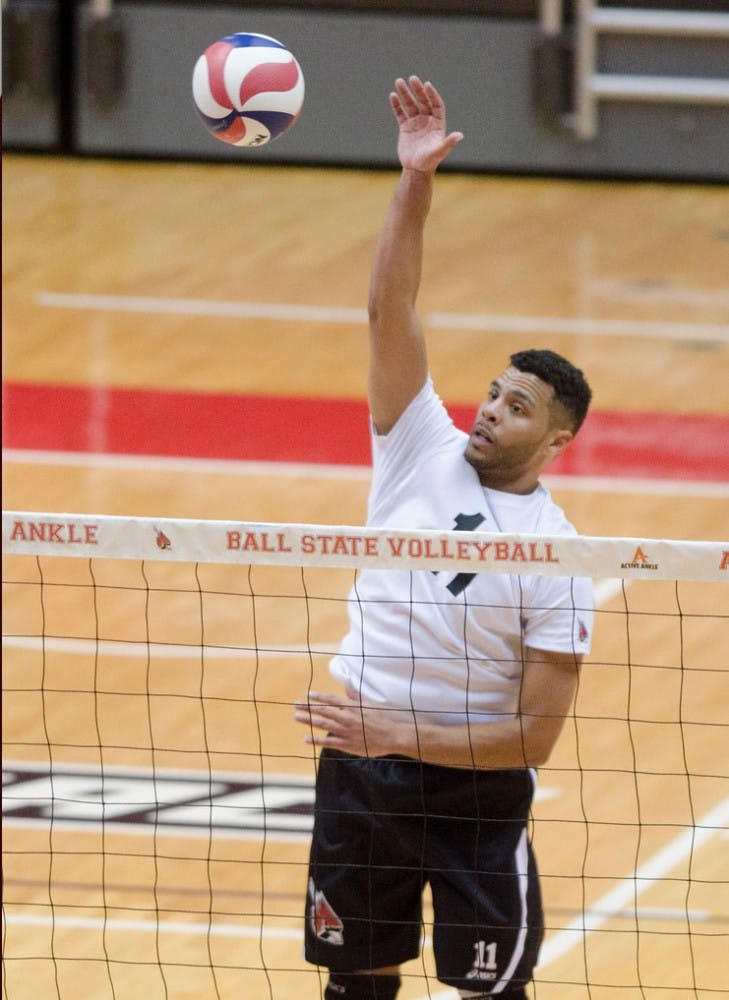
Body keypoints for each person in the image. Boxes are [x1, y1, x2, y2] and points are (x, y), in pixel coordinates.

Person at [294, 76, 593, 1000]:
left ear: (555, 440)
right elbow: (391, 310)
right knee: (357, 986)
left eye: (517, 409)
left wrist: (398, 729)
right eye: (493, 393)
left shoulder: (556, 553)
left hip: (473, 803)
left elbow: (533, 740)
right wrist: (413, 184)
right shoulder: (417, 447)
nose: (489, 412)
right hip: (360, 776)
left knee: (491, 991)